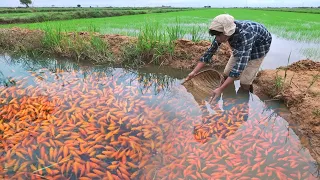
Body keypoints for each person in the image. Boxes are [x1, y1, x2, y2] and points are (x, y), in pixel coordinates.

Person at [185, 14, 272, 102]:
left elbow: (239, 67)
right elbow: (209, 52)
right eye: (216, 36)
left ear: (227, 32)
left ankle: (243, 103)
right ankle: (229, 100)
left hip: (258, 48)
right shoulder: (221, 32)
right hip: (241, 47)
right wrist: (193, 72)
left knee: (245, 82)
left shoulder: (246, 34)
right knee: (226, 74)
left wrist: (220, 89)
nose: (217, 39)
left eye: (219, 36)